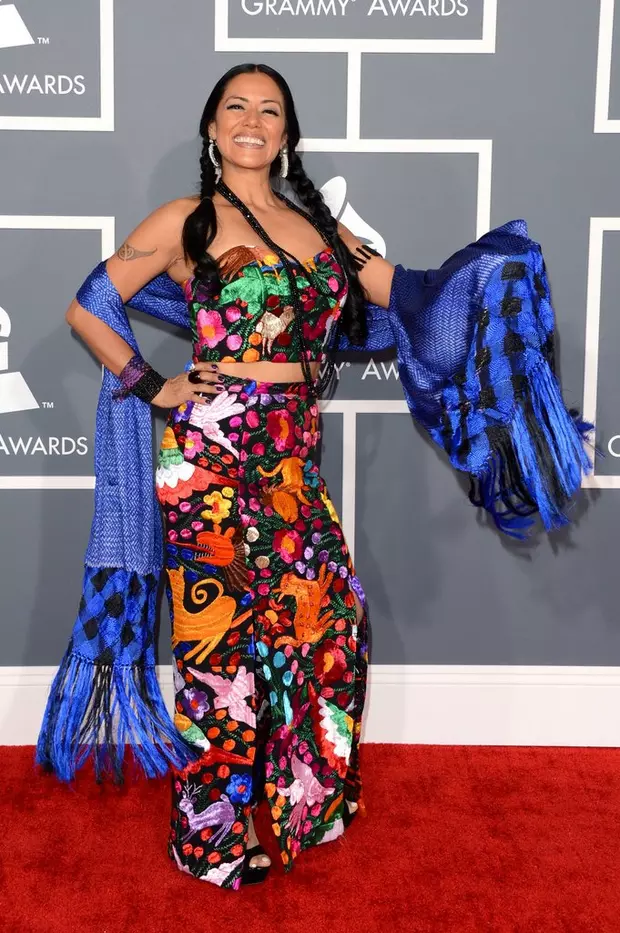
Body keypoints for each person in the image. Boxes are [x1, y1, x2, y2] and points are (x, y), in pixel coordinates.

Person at [36, 63, 592, 892]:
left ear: (287, 134)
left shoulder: (320, 229)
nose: (252, 120)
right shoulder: (185, 220)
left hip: (292, 454)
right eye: (236, 107)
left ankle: (307, 796)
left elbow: (412, 296)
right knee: (219, 649)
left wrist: (498, 273)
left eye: (270, 110)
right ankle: (208, 834)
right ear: (212, 128)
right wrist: (156, 385)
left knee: (332, 625)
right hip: (210, 457)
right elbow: (89, 304)